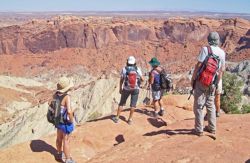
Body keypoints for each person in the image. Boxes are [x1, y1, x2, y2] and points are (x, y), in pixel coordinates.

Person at [191, 32, 225, 136]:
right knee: (210, 104)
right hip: (212, 82)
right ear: (218, 40)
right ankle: (212, 128)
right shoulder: (222, 52)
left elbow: (199, 65)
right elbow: (221, 70)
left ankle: (199, 130)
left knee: (199, 105)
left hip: (202, 81)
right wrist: (216, 82)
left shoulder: (206, 49)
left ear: (209, 40)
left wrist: (193, 78)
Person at [112, 56, 144, 125]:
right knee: (133, 105)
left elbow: (121, 80)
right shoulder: (137, 69)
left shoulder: (124, 69)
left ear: (127, 62)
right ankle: (130, 120)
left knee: (121, 103)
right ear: (134, 62)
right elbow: (143, 79)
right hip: (135, 89)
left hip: (126, 88)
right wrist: (139, 82)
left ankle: (117, 118)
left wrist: (120, 88)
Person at [54, 76, 75, 163]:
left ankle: (59, 154)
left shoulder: (55, 95)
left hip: (58, 120)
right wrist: (71, 120)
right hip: (65, 122)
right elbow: (69, 111)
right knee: (66, 140)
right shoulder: (66, 97)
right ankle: (68, 159)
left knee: (59, 138)